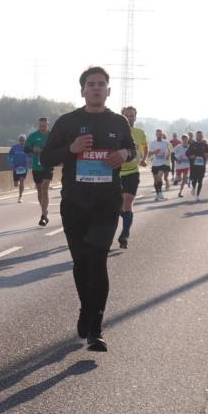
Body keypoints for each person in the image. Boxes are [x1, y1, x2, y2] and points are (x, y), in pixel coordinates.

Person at [40, 66, 136, 352]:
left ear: (108, 90)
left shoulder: (118, 122)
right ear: (82, 90)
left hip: (106, 201)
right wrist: (71, 148)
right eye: (91, 84)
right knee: (81, 263)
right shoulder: (68, 121)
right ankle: (85, 308)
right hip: (74, 203)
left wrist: (124, 154)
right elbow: (46, 157)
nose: (96, 88)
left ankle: (96, 328)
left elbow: (132, 150)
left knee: (98, 259)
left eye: (101, 84)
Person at [117, 106, 148, 249]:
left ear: (135, 117)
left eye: (131, 115)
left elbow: (144, 147)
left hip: (132, 172)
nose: (129, 118)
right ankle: (125, 218)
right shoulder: (115, 131)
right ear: (122, 116)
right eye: (126, 115)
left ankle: (124, 234)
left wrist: (144, 158)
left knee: (127, 202)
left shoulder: (139, 132)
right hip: (115, 173)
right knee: (117, 207)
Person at [25, 117, 54, 226]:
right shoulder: (33, 136)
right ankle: (44, 212)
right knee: (39, 191)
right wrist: (33, 149)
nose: (42, 127)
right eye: (40, 126)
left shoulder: (52, 135)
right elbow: (26, 148)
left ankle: (43, 216)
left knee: (44, 188)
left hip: (48, 165)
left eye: (44, 125)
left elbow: (58, 147)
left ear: (48, 125)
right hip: (36, 167)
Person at [186, 131, 208, 200]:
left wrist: (207, 155)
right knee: (194, 180)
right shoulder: (193, 145)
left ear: (202, 137)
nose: (199, 137)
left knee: (200, 180)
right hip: (194, 166)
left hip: (201, 166)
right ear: (196, 137)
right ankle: (193, 188)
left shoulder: (205, 145)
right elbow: (187, 153)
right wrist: (191, 156)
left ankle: (198, 195)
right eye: (198, 136)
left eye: (200, 136)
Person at [148, 129, 172, 201]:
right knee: (155, 180)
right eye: (158, 134)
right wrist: (154, 152)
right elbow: (149, 155)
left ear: (162, 134)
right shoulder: (152, 143)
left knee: (159, 177)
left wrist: (168, 155)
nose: (159, 135)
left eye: (160, 134)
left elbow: (169, 150)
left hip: (163, 163)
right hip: (155, 164)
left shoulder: (166, 142)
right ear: (156, 135)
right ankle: (157, 194)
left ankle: (160, 194)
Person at [8, 134, 29, 203]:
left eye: (23, 140)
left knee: (22, 181)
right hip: (16, 168)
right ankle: (21, 186)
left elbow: (31, 156)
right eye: (20, 140)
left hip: (24, 168)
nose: (22, 141)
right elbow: (10, 155)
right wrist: (11, 162)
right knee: (16, 184)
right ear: (19, 140)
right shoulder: (14, 147)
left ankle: (20, 197)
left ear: (25, 140)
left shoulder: (27, 148)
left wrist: (28, 160)